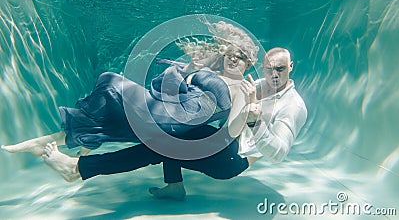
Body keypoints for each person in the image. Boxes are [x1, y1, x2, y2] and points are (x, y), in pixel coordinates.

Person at [33, 47, 307, 201]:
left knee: (161, 147)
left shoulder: (293, 106)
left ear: (291, 67)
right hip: (228, 142)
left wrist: (256, 120)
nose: (273, 73)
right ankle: (175, 186)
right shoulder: (256, 84)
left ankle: (77, 169)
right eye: (269, 67)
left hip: (233, 160)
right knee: (172, 131)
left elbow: (279, 153)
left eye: (280, 69)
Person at [2, 21, 258, 161]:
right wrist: (189, 68)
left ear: (249, 63)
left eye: (240, 58)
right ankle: (45, 143)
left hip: (171, 121)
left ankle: (85, 142)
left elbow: (232, 131)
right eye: (231, 54)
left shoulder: (242, 88)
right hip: (168, 110)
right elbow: (176, 88)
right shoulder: (216, 73)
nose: (233, 60)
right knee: (109, 115)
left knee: (110, 80)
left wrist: (247, 105)